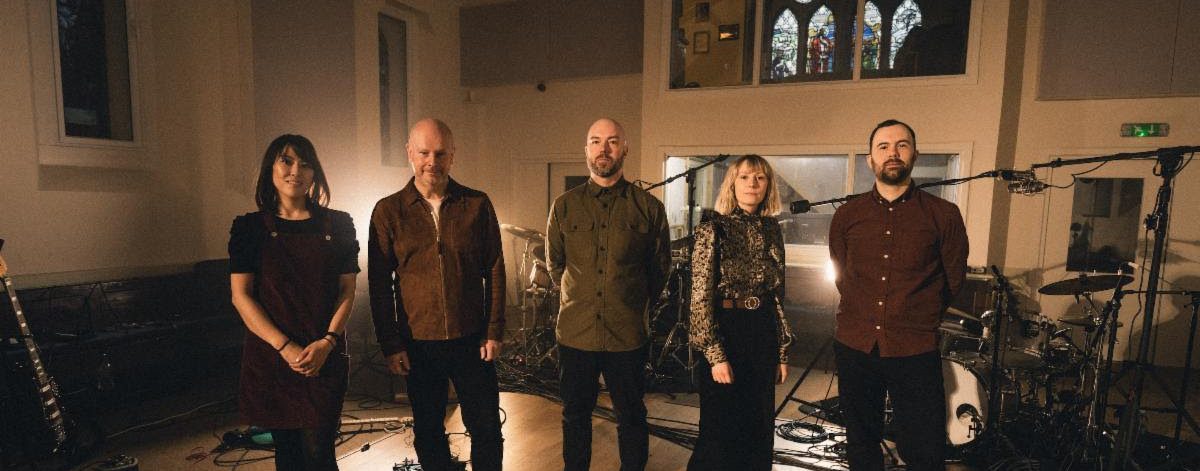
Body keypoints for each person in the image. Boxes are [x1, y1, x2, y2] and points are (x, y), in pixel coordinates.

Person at [829, 119, 968, 470]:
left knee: (923, 445)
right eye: (884, 146)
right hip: (855, 344)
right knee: (861, 442)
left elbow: (953, 280)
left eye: (902, 145)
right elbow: (841, 274)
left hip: (915, 347)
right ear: (869, 159)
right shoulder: (847, 215)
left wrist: (916, 316)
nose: (893, 153)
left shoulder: (944, 215)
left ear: (915, 154)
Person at [368, 118, 505, 471]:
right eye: (425, 152)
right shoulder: (388, 211)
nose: (433, 161)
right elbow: (380, 284)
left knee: (487, 427)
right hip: (418, 343)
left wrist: (494, 330)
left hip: (472, 339)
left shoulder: (477, 204)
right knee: (428, 429)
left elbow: (495, 269)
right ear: (410, 154)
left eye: (441, 153)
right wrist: (391, 343)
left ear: (453, 156)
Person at [546, 118, 670, 471]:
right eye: (596, 141)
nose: (604, 149)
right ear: (586, 150)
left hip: (627, 335)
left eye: (612, 141)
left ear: (624, 149)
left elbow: (659, 270)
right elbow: (556, 265)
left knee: (632, 415)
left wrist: (629, 301)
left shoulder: (648, 208)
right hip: (575, 334)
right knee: (575, 416)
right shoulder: (564, 206)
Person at [229, 134, 359, 471]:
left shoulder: (339, 224)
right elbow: (241, 296)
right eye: (286, 160)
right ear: (270, 168)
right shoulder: (249, 228)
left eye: (305, 163)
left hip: (324, 353)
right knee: (288, 456)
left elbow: (347, 292)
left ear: (314, 173)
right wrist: (284, 346)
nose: (295, 170)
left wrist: (328, 342)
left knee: (319, 455)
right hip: (273, 358)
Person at [687, 155, 794, 470]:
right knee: (720, 430)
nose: (752, 184)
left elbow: (777, 294)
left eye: (759, 178)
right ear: (732, 183)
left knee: (759, 427)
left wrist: (781, 350)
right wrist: (715, 353)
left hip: (761, 329)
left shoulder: (772, 228)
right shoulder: (713, 228)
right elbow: (699, 297)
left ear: (768, 186)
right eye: (745, 177)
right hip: (726, 329)